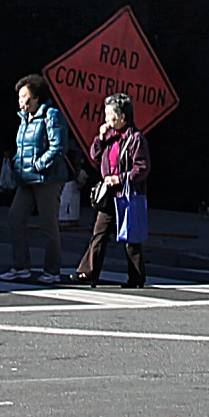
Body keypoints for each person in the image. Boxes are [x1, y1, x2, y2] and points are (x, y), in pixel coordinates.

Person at [71, 95, 151, 287]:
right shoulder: (109, 137)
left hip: (127, 193)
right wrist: (99, 138)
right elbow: (95, 156)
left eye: (110, 115)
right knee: (99, 232)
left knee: (130, 236)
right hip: (109, 193)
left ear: (122, 116)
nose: (106, 119)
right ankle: (88, 273)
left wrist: (121, 178)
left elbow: (142, 167)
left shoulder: (135, 138)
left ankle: (136, 277)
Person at [3, 74, 77, 281]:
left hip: (47, 180)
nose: (21, 101)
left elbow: (58, 147)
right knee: (15, 217)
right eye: (19, 97)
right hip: (26, 179)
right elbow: (22, 147)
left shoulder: (51, 115)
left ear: (36, 97)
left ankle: (52, 271)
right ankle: (20, 266)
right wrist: (18, 166)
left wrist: (39, 164)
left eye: (24, 96)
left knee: (48, 225)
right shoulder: (24, 118)